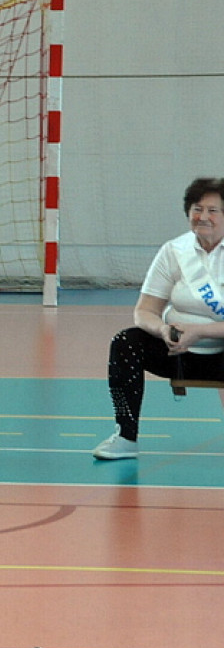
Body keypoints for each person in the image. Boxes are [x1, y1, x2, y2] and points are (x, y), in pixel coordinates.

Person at [93, 177, 224, 460]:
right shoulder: (175, 251)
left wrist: (201, 332)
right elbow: (145, 310)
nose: (203, 217)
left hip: (220, 352)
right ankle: (126, 436)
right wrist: (163, 329)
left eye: (213, 210)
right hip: (178, 352)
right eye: (197, 209)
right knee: (126, 342)